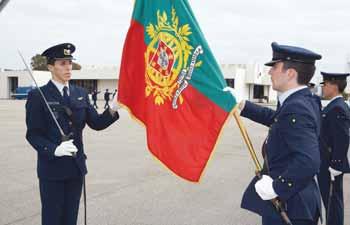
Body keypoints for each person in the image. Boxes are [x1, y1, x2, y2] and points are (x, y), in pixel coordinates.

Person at [225, 42, 322, 225]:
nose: (269, 72)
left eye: (274, 67)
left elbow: (309, 161)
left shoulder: (297, 107)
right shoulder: (300, 100)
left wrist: (278, 187)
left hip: (291, 206)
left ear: (290, 73)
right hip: (295, 202)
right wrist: (242, 104)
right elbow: (277, 119)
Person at [25, 43, 120, 225]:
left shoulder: (80, 93)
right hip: (52, 171)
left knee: (70, 219)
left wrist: (113, 108)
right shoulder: (38, 96)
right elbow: (33, 135)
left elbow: (96, 123)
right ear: (50, 66)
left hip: (75, 169)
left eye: (69, 62)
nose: (68, 67)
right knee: (53, 219)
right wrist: (54, 149)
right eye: (62, 63)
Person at [318, 72, 350, 225]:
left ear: (334, 86)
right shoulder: (334, 105)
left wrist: (336, 164)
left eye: (325, 84)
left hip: (331, 164)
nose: (323, 88)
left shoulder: (337, 107)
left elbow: (342, 138)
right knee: (330, 200)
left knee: (332, 201)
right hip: (327, 162)